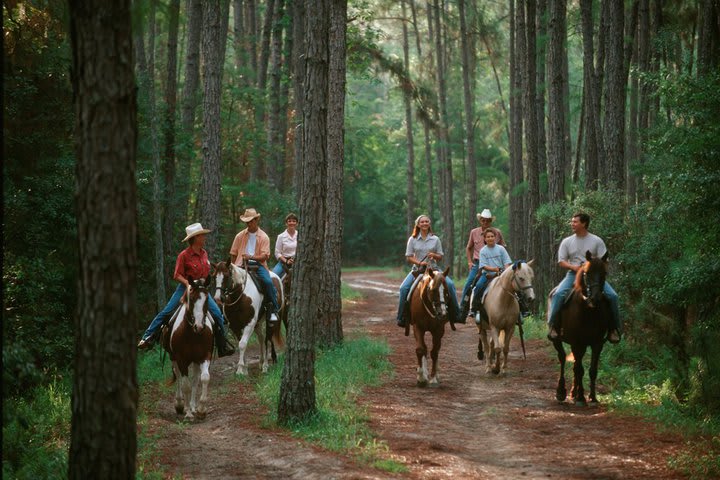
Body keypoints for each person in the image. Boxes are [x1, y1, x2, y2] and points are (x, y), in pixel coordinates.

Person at [137, 223, 235, 357]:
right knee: (167, 311)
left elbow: (205, 272)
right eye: (202, 236)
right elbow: (176, 274)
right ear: (195, 238)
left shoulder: (204, 253)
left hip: (201, 289)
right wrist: (187, 284)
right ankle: (148, 337)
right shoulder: (183, 255)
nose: (204, 238)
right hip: (185, 287)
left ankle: (222, 344)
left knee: (217, 314)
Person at [547, 212, 621, 343]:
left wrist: (597, 271)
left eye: (575, 222)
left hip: (593, 277)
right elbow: (561, 261)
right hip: (573, 274)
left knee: (613, 296)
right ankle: (553, 326)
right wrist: (574, 267)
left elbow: (605, 261)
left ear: (584, 223)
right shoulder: (567, 241)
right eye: (572, 221)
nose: (572, 224)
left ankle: (613, 329)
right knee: (558, 294)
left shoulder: (597, 241)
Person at [396, 215, 462, 327]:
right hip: (418, 270)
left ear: (429, 224)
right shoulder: (412, 239)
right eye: (422, 222)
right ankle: (401, 316)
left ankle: (455, 314)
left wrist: (434, 255)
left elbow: (440, 256)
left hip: (434, 269)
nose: (425, 223)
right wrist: (419, 263)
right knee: (403, 288)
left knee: (450, 285)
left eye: (427, 221)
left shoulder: (435, 239)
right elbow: (408, 257)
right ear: (418, 224)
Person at [229, 208, 280, 323]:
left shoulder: (264, 237)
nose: (249, 224)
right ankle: (225, 311)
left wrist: (250, 257)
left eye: (251, 221)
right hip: (240, 264)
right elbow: (233, 254)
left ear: (256, 220)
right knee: (227, 283)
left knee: (267, 282)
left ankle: (273, 309)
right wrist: (233, 267)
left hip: (258, 265)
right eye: (247, 222)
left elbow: (265, 256)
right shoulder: (239, 236)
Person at [459, 209, 506, 319]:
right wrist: (469, 261)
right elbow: (469, 247)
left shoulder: (497, 232)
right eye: (483, 220)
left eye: (488, 221)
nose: (485, 222)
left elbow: (503, 246)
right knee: (469, 283)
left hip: (495, 263)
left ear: (490, 221)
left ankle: (519, 310)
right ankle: (463, 310)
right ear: (480, 220)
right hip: (478, 263)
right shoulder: (474, 232)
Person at [469, 229, 513, 323]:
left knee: (515, 285)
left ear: (495, 237)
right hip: (487, 275)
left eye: (492, 236)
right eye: (488, 237)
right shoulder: (483, 251)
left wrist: (506, 272)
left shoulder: (501, 249)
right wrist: (495, 269)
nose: (490, 238)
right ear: (484, 239)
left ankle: (522, 309)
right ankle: (474, 308)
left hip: (502, 274)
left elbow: (506, 262)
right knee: (479, 286)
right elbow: (484, 266)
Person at [272, 213, 298, 278]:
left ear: (297, 223)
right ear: (286, 223)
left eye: (294, 221)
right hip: (284, 262)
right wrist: (286, 261)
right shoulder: (281, 236)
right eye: (289, 221)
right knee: (273, 276)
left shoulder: (300, 235)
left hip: (297, 261)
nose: (291, 223)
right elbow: (277, 253)